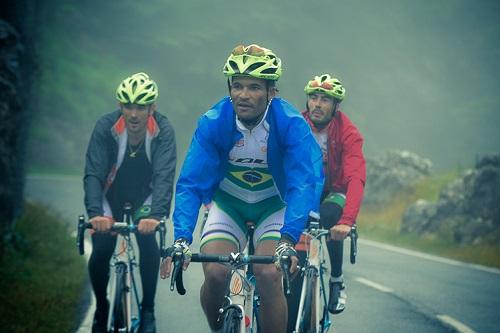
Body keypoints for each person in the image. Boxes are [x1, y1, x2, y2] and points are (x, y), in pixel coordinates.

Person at [160, 44, 323, 333]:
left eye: (254, 87)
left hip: (273, 205)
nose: (243, 95)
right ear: (229, 88)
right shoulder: (213, 122)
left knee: (268, 273)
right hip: (229, 204)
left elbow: (303, 183)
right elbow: (190, 183)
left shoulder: (290, 123)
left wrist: (288, 238)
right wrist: (182, 238)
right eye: (237, 86)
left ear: (272, 92)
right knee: (215, 273)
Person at [84, 72, 176, 333]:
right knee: (101, 249)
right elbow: (93, 173)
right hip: (108, 199)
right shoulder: (106, 127)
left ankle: (148, 310)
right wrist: (94, 214)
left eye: (141, 107)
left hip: (144, 200)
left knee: (148, 241)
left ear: (152, 108)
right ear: (120, 106)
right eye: (128, 106)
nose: (134, 114)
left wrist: (156, 215)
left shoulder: (162, 130)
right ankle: (102, 307)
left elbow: (164, 175)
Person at [288, 73, 366, 328]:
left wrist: (347, 221)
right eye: (313, 97)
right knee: (295, 267)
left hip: (333, 191)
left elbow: (356, 177)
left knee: (332, 215)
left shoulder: (349, 133)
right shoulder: (295, 125)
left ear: (335, 106)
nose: (318, 104)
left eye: (325, 99)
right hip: (302, 191)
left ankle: (336, 277)